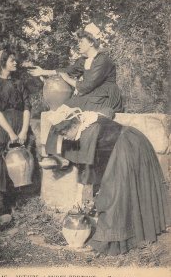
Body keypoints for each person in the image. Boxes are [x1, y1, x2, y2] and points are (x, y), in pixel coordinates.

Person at [46, 105, 170, 256]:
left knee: (113, 195)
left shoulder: (89, 130)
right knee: (115, 191)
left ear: (73, 125)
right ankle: (131, 232)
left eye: (65, 133)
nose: (64, 137)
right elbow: (91, 163)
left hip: (128, 147)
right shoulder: (83, 122)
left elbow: (88, 170)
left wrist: (80, 197)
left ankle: (111, 240)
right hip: (126, 144)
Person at [0, 48, 37, 218]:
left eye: (15, 60)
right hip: (2, 126)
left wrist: (23, 131)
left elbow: (27, 107)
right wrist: (11, 133)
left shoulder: (19, 83)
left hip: (21, 124)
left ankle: (18, 199)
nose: (16, 63)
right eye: (12, 60)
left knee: (24, 156)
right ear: (2, 63)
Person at [28, 23, 123, 117]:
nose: (78, 45)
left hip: (105, 98)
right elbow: (68, 70)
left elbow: (87, 86)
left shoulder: (102, 60)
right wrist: (43, 71)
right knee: (64, 109)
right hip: (92, 96)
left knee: (68, 111)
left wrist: (68, 79)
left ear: (91, 43)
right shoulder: (84, 60)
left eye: (81, 41)